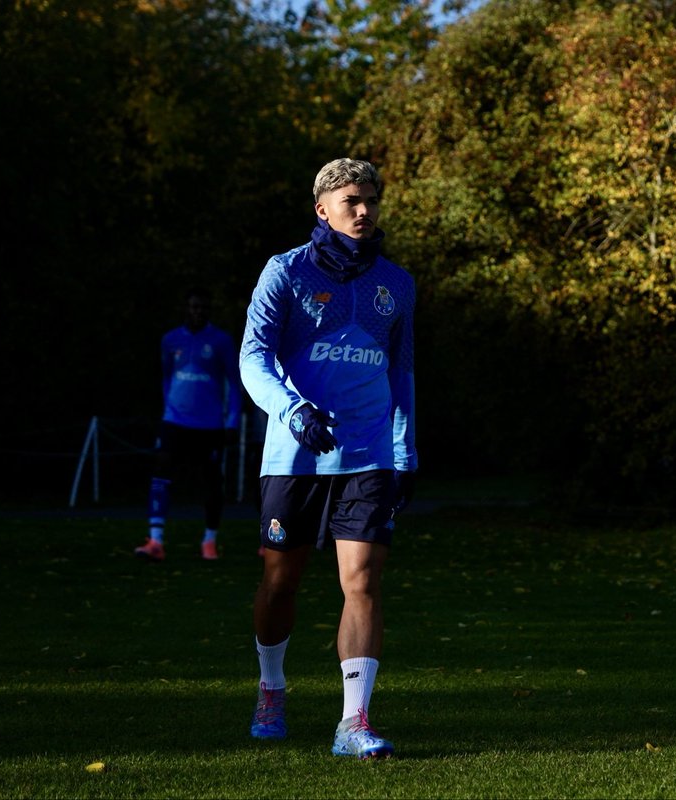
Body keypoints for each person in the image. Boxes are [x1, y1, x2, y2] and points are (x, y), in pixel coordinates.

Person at [239, 158, 417, 760]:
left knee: (362, 582)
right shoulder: (284, 272)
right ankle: (271, 687)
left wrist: (404, 451)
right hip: (294, 456)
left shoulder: (398, 282)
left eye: (371, 199)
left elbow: (403, 371)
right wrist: (293, 412)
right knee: (279, 583)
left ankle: (354, 723)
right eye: (350, 201)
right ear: (322, 209)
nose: (363, 210)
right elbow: (253, 359)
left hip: (368, 457)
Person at [135, 287, 242, 562]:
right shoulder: (170, 340)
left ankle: (209, 540)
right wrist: (167, 409)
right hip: (175, 421)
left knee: (211, 481)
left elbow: (234, 382)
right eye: (194, 307)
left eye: (203, 308)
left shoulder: (221, 341)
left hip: (209, 425)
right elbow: (166, 377)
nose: (198, 312)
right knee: (161, 470)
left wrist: (232, 420)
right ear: (186, 308)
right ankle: (155, 539)